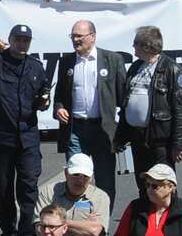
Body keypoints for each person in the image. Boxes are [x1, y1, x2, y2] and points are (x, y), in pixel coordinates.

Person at [0, 24, 52, 236]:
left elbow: (43, 90)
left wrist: (44, 101)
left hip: (27, 136)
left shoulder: (36, 66)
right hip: (1, 136)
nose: (21, 43)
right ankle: (8, 230)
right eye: (17, 39)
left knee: (29, 185)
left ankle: (26, 230)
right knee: (2, 188)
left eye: (25, 40)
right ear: (10, 40)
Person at [53, 19, 127, 207]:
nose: (75, 40)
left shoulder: (112, 60)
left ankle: (102, 225)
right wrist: (59, 107)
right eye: (73, 36)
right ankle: (78, 222)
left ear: (92, 37)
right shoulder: (67, 61)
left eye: (79, 36)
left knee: (104, 181)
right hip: (76, 130)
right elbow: (59, 94)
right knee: (75, 178)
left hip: (102, 130)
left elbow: (123, 98)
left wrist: (122, 133)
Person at [116, 26, 182, 193]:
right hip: (137, 137)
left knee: (163, 185)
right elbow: (126, 103)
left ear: (147, 46)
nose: (133, 47)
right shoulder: (136, 67)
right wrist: (120, 137)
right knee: (143, 183)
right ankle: (145, 218)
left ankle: (169, 219)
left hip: (160, 141)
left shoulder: (172, 69)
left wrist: (178, 144)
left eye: (136, 43)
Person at [35, 155, 110, 236]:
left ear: (91, 178)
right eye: (76, 174)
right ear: (66, 173)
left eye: (85, 176)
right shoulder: (49, 192)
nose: (80, 180)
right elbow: (39, 228)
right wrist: (84, 225)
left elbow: (95, 231)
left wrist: (56, 223)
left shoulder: (100, 197)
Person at [113, 163, 182, 236]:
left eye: (155, 186)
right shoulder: (135, 207)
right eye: (147, 185)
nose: (149, 189)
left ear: (170, 187)